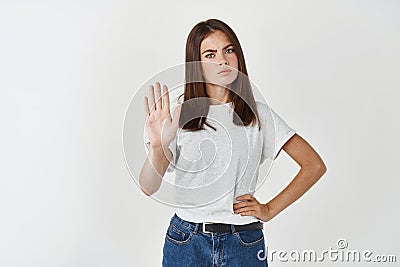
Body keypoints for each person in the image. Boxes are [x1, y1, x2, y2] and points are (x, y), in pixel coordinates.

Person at [139, 19, 327, 267]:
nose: (222, 61)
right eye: (210, 54)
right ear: (197, 64)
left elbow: (314, 165)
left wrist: (269, 209)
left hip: (243, 242)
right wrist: (156, 145)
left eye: (229, 50)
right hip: (187, 242)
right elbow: (148, 186)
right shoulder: (180, 116)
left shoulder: (258, 116)